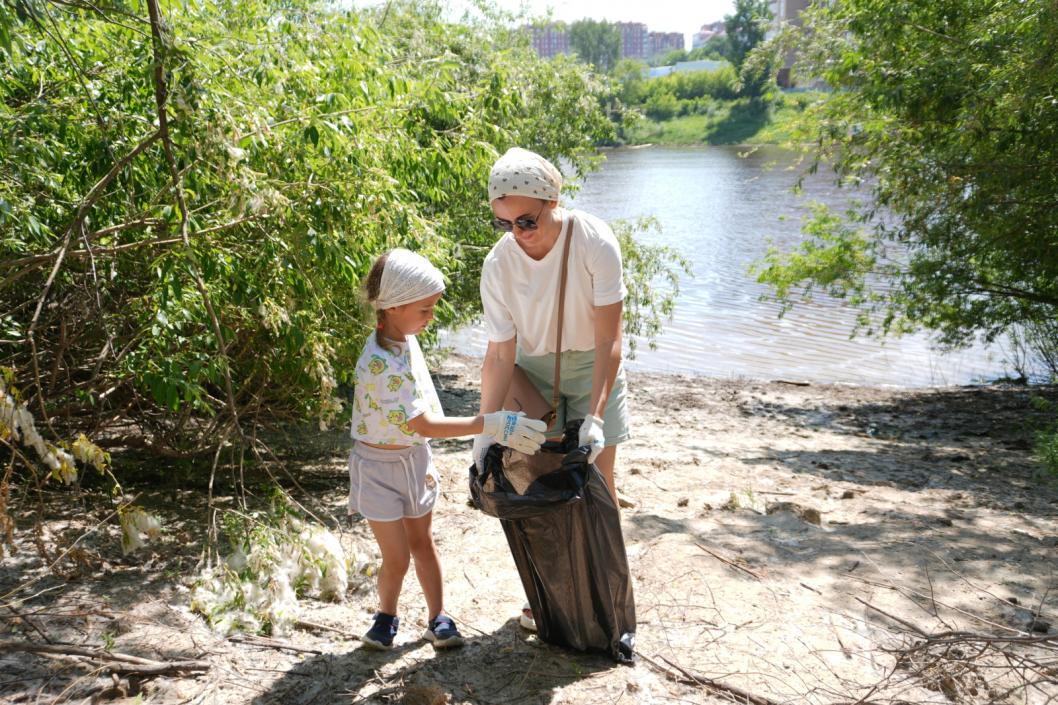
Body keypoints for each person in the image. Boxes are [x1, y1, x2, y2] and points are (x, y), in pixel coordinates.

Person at [350, 248, 547, 650]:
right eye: (425, 309)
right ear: (394, 306)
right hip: (377, 467)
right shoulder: (381, 364)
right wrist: (489, 423)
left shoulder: (404, 338)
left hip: (412, 460)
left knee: (423, 543)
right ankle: (386, 616)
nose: (431, 316)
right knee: (397, 556)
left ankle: (437, 617)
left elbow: (419, 418)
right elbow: (423, 424)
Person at [473, 147, 631, 632]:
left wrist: (597, 418)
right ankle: (549, 597)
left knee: (596, 487)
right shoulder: (498, 265)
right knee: (538, 483)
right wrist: (484, 429)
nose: (518, 234)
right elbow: (500, 355)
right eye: (505, 224)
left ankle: (604, 594)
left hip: (591, 365)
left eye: (526, 220)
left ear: (553, 202)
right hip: (532, 372)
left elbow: (610, 340)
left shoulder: (593, 241)